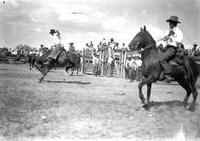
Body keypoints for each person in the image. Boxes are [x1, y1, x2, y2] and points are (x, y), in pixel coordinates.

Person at [158, 16, 183, 81]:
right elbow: (163, 40)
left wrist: (171, 38)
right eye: (169, 23)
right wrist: (161, 44)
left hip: (172, 49)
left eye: (170, 23)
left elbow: (179, 41)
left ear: (174, 23)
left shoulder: (178, 32)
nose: (169, 24)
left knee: (161, 59)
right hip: (166, 48)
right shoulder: (167, 31)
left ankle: (168, 74)